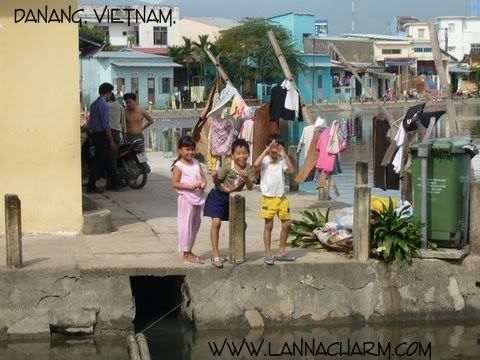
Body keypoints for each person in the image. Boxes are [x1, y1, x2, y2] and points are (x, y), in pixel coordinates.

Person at [204, 139, 256, 268]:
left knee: (241, 225)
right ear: (232, 155)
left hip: (234, 199)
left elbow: (250, 187)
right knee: (216, 222)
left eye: (244, 153)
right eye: (238, 153)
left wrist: (246, 179)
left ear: (248, 154)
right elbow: (217, 182)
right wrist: (216, 178)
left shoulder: (249, 169)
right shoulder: (227, 166)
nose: (241, 156)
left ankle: (234, 251)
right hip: (218, 196)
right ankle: (215, 254)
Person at [253, 134, 296, 265]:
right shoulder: (265, 160)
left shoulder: (282, 159)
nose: (275, 149)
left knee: (287, 224)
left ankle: (281, 252)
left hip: (281, 197)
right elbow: (255, 165)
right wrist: (267, 150)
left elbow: (292, 171)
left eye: (277, 146)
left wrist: (285, 154)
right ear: (268, 147)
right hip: (268, 198)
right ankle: (268, 253)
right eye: (273, 146)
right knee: (269, 225)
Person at [171, 136, 207, 264]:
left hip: (197, 198)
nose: (190, 152)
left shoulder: (196, 163)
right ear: (180, 150)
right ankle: (186, 254)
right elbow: (175, 183)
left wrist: (203, 183)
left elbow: (202, 177)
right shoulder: (178, 166)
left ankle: (189, 250)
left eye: (192, 149)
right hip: (186, 199)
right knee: (186, 225)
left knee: (195, 224)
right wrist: (191, 186)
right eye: (187, 149)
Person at [86, 82, 121, 193]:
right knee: (99, 162)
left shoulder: (93, 104)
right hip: (101, 136)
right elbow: (106, 125)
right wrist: (111, 141)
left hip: (95, 135)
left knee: (107, 160)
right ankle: (91, 186)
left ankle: (115, 183)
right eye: (111, 93)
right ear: (109, 93)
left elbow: (90, 123)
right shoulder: (103, 105)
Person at [107, 93, 126, 189]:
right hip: (116, 134)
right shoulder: (120, 107)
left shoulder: (104, 106)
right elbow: (123, 125)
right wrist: (125, 138)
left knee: (109, 159)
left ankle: (112, 182)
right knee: (114, 159)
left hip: (105, 134)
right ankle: (114, 182)